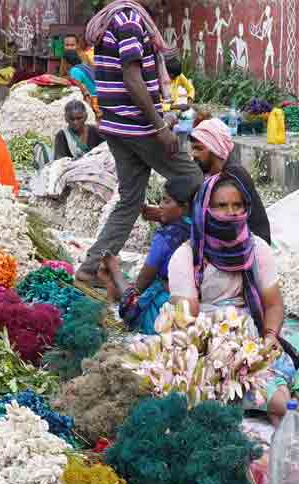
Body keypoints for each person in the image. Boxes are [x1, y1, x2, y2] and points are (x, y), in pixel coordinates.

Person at [74, 0, 203, 286]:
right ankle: (206, 255)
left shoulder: (111, 18)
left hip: (116, 125)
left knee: (130, 201)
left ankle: (91, 268)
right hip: (137, 126)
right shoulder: (129, 20)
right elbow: (132, 78)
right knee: (194, 180)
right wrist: (159, 126)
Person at [168, 173, 289, 418]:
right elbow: (187, 322)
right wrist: (220, 354)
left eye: (237, 205)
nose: (232, 212)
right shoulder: (187, 257)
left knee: (280, 402)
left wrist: (269, 337)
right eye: (221, 206)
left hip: (252, 339)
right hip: (205, 343)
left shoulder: (257, 249)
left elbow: (274, 305)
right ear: (205, 209)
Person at [104, 173, 200, 333]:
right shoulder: (199, 230)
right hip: (193, 305)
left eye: (166, 201)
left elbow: (139, 287)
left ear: (184, 207)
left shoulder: (165, 238)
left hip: (165, 313)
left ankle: (110, 275)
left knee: (127, 296)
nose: (160, 205)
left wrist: (114, 269)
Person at [178, 117, 272, 243]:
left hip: (246, 247)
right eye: (193, 149)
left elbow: (230, 223)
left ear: (215, 149)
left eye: (199, 149)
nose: (193, 154)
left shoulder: (233, 175)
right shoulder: (207, 173)